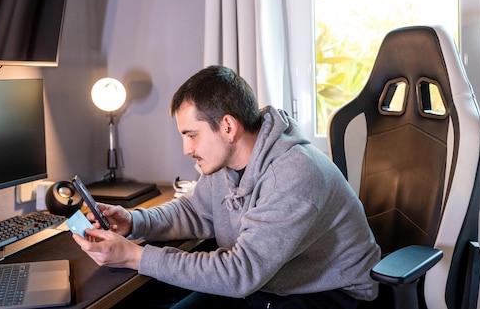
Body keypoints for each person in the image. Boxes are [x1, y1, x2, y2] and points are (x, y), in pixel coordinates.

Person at [73, 65, 381, 309]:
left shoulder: (294, 174)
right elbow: (196, 211)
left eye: (191, 135)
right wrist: (135, 221)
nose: (186, 149)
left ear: (228, 127)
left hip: (330, 294)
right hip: (266, 283)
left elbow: (240, 273)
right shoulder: (225, 163)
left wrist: (133, 257)